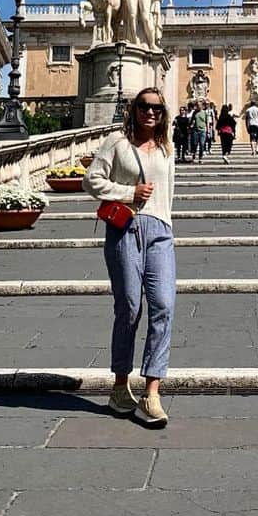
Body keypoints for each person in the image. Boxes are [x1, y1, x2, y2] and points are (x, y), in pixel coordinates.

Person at [85, 88, 175, 429]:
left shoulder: (168, 148)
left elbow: (168, 194)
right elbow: (90, 180)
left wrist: (166, 223)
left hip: (161, 232)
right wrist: (128, 193)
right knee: (129, 308)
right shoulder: (117, 142)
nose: (150, 112)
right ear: (133, 109)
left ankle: (152, 390)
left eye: (156, 107)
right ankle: (121, 387)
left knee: (164, 305)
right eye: (144, 106)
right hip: (126, 229)